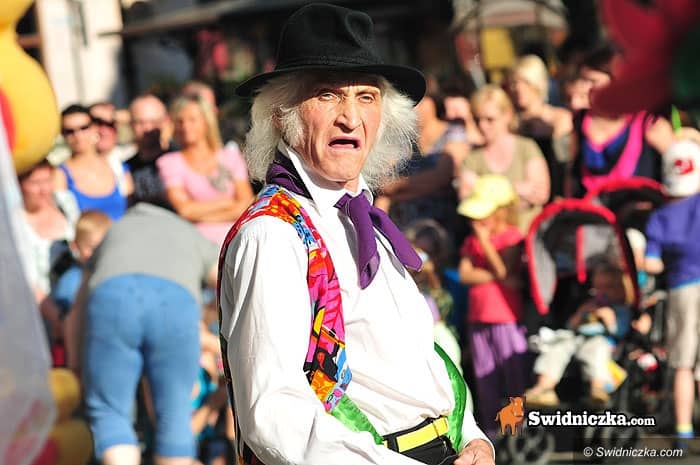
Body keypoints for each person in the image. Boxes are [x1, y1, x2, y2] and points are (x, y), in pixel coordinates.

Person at [218, 4, 494, 465]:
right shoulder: (273, 235)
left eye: (366, 97)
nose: (350, 117)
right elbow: (274, 415)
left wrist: (474, 438)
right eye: (327, 95)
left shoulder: (370, 220)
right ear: (282, 115)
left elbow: (418, 360)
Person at [65, 203, 220, 465]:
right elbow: (228, 282)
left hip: (113, 300)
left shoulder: (115, 232)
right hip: (176, 305)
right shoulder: (189, 233)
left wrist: (75, 368)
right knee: (175, 414)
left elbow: (76, 313)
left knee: (111, 412)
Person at [457, 175, 528, 439]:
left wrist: (485, 243)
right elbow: (465, 275)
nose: (478, 223)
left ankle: (516, 432)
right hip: (478, 318)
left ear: (501, 211)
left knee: (513, 377)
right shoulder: (471, 241)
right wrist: (499, 278)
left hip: (506, 318)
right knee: (485, 378)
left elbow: (503, 269)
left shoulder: (511, 237)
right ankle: (490, 434)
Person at [644, 139, 700, 450]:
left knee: (682, 363)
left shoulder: (660, 216)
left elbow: (651, 262)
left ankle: (683, 431)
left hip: (681, 289)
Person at [567, 43, 676, 197]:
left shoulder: (649, 123)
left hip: (639, 208)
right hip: (591, 209)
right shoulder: (579, 121)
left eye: (592, 81)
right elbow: (571, 175)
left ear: (617, 83)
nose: (583, 88)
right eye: (582, 80)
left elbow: (682, 167)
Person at [524, 260, 633, 407]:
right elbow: (570, 326)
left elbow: (620, 331)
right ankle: (544, 388)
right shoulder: (589, 304)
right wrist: (580, 314)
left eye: (608, 287)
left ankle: (598, 388)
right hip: (575, 338)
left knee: (596, 351)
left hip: (601, 341)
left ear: (621, 289)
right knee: (557, 347)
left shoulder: (621, 310)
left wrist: (610, 319)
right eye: (598, 288)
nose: (602, 292)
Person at [157, 94, 254, 246]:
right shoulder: (169, 163)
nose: (185, 126)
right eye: (180, 121)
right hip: (195, 244)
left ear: (206, 121)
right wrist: (228, 203)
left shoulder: (231, 157)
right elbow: (185, 210)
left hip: (236, 239)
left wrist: (203, 215)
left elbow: (247, 203)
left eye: (192, 120)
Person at [458, 85, 550, 233]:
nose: (482, 125)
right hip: (491, 241)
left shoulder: (526, 147)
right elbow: (466, 201)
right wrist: (516, 189)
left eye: (490, 119)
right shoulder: (472, 158)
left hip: (528, 235)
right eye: (477, 119)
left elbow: (540, 193)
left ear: (507, 115)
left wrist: (483, 192)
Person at [17, 159, 80, 344]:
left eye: (47, 180)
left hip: (76, 303)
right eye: (35, 183)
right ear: (19, 185)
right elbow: (27, 279)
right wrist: (58, 319)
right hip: (41, 316)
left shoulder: (65, 202)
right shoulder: (15, 222)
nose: (44, 189)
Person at [54, 104, 133, 220]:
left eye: (84, 128)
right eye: (69, 131)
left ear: (95, 128)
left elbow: (132, 212)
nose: (78, 135)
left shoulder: (118, 169)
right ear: (63, 135)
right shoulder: (60, 175)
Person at [510, 55, 573, 200]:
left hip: (555, 192)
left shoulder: (559, 118)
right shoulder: (509, 122)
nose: (518, 88)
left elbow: (563, 163)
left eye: (525, 82)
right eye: (514, 83)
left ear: (537, 83)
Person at [51, 210, 112, 316]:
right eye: (92, 248)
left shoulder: (113, 273)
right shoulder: (71, 282)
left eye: (103, 246)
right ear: (75, 246)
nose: (98, 253)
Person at [127, 94, 176, 209]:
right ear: (130, 124)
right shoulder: (125, 169)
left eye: (153, 121)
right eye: (140, 122)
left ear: (166, 121)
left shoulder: (180, 159)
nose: (147, 128)